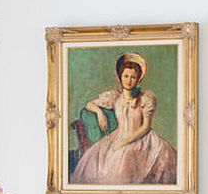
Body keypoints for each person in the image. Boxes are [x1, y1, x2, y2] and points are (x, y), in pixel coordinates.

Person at [71, 52, 177, 186]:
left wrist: (125, 141)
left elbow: (145, 127)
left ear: (139, 79)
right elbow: (89, 104)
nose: (129, 80)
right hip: (118, 136)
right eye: (126, 76)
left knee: (126, 158)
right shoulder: (115, 97)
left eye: (133, 77)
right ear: (120, 77)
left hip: (142, 139)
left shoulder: (145, 99)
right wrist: (99, 112)